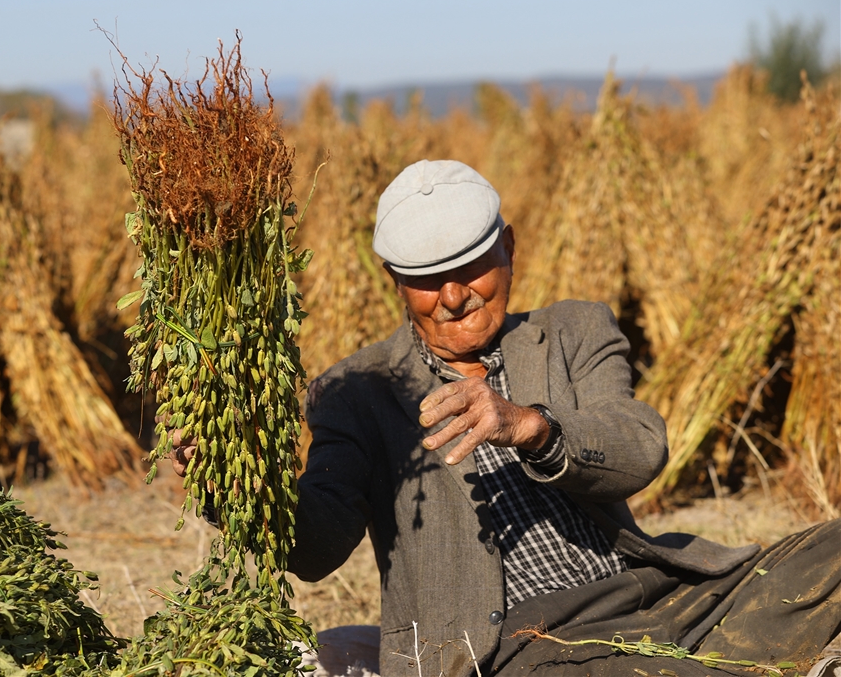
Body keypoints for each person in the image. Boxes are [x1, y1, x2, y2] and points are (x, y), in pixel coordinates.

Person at [172, 160, 840, 676]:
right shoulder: (358, 391)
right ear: (394, 281)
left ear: (509, 247)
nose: (454, 295)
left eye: (471, 267)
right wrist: (234, 483)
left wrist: (531, 427)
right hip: (516, 645)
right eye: (426, 279)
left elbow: (639, 448)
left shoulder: (573, 330)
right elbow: (318, 549)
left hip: (658, 595)